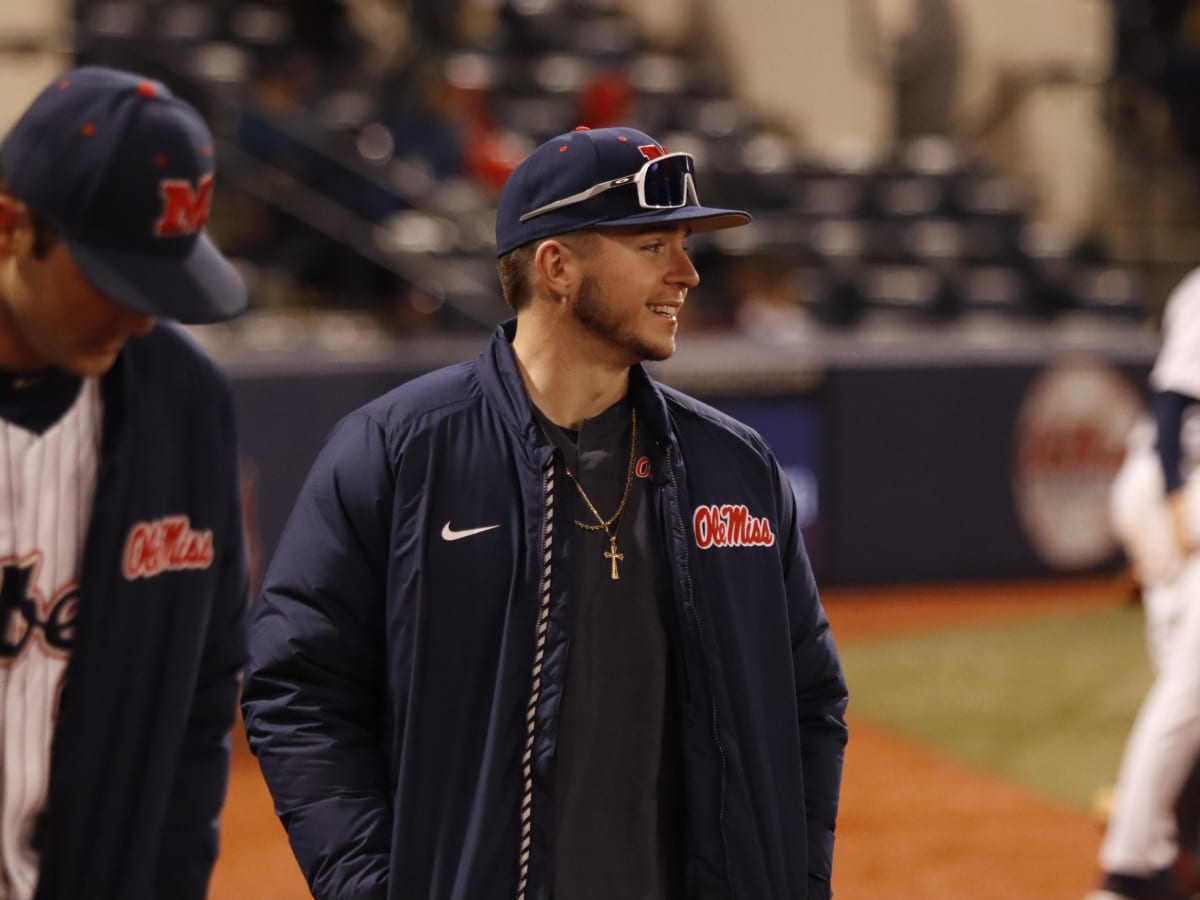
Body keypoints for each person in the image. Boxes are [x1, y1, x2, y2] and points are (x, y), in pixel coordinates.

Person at [242, 125, 849, 899]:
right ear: (557, 267)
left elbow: (810, 699)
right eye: (652, 246)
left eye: (684, 244)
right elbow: (298, 687)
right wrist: (367, 886)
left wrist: (793, 881)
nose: (688, 274)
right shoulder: (398, 451)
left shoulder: (734, 468)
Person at [0, 66, 249, 899]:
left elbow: (201, 700)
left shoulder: (186, 406)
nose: (142, 316)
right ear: (10, 227)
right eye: (112, 279)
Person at [1097, 265, 1200, 900]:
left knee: (1186, 688)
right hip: (1179, 487)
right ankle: (1130, 867)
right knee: (1190, 690)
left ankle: (1162, 848)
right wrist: (1173, 509)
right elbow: (1171, 405)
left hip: (1175, 496)